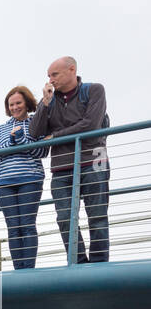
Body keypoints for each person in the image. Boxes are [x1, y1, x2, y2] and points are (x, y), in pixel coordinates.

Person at [29, 56, 110, 263]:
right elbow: (35, 132)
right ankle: (79, 263)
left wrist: (56, 136)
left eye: (54, 74)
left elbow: (91, 126)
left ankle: (99, 265)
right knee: (65, 218)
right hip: (61, 167)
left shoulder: (94, 90)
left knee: (97, 215)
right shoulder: (50, 99)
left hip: (94, 161)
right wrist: (45, 103)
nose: (50, 79)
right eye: (48, 76)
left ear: (72, 70)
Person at [0, 86, 46, 270]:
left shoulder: (36, 123)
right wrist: (11, 143)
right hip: (4, 182)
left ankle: (28, 269)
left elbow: (42, 151)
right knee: (13, 227)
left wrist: (22, 140)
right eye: (11, 104)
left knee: (27, 224)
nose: (14, 107)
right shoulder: (1, 129)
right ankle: (18, 269)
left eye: (18, 103)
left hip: (30, 178)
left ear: (27, 103)